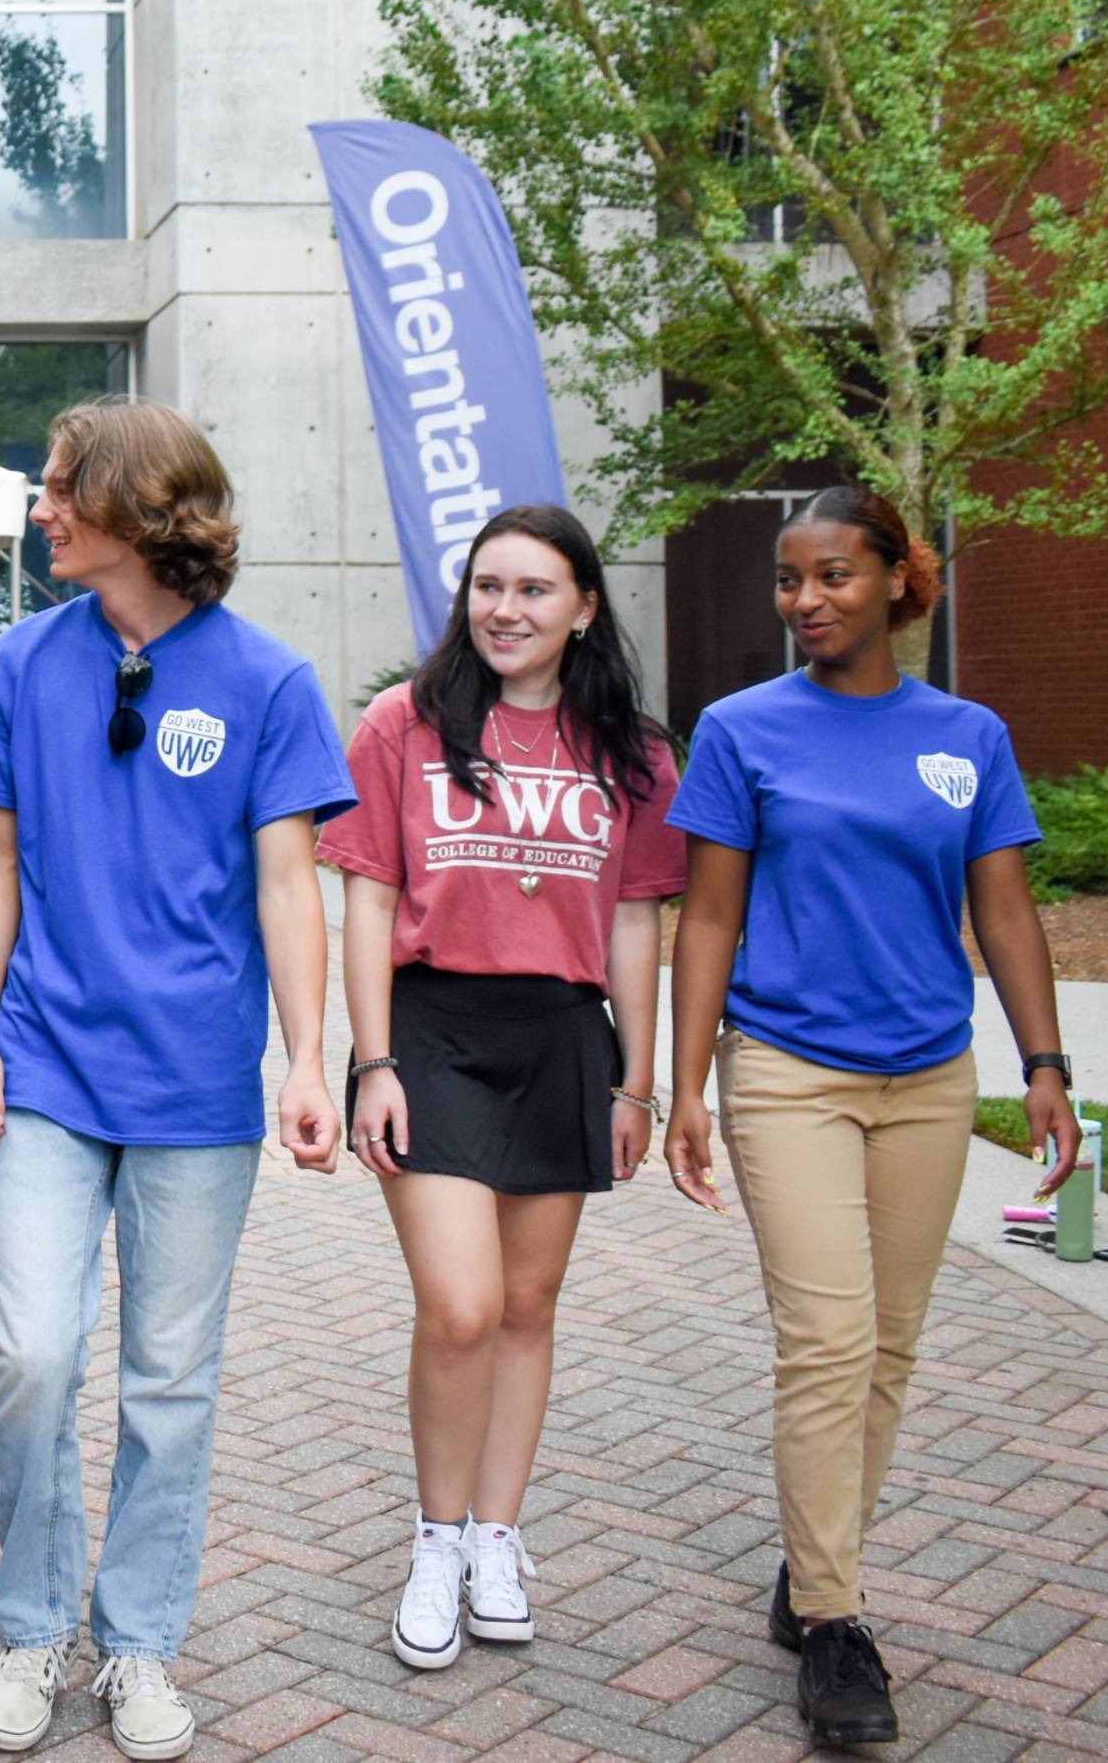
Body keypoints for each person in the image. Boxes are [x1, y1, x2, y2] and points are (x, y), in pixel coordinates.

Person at [0, 397, 351, 1763]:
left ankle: (136, 1641)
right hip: (49, 1066)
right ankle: (30, 1625)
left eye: (63, 486)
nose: (42, 507)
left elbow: (289, 883)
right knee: (31, 1353)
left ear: (134, 507)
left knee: (168, 1379)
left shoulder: (268, 681)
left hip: (195, 1085)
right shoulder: (19, 663)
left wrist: (309, 1057)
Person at [662, 486, 1082, 1750]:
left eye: (832, 575)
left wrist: (1044, 1064)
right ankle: (834, 1624)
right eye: (788, 580)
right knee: (827, 1342)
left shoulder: (967, 735)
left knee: (888, 1347)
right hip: (786, 1071)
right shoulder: (740, 730)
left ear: (899, 579)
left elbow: (1000, 911)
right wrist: (683, 1088)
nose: (804, 601)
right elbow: (708, 919)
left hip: (928, 1082)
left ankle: (811, 1565)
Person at [317, 506, 683, 1673]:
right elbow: (367, 899)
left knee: (527, 1307)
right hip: (430, 1035)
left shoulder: (632, 752)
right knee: (462, 1306)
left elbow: (635, 923)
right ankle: (434, 1543)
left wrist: (635, 1083)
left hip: (561, 1038)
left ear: (582, 608)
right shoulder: (403, 724)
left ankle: (494, 1540)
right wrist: (371, 1060)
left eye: (532, 590)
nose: (504, 610)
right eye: (487, 587)